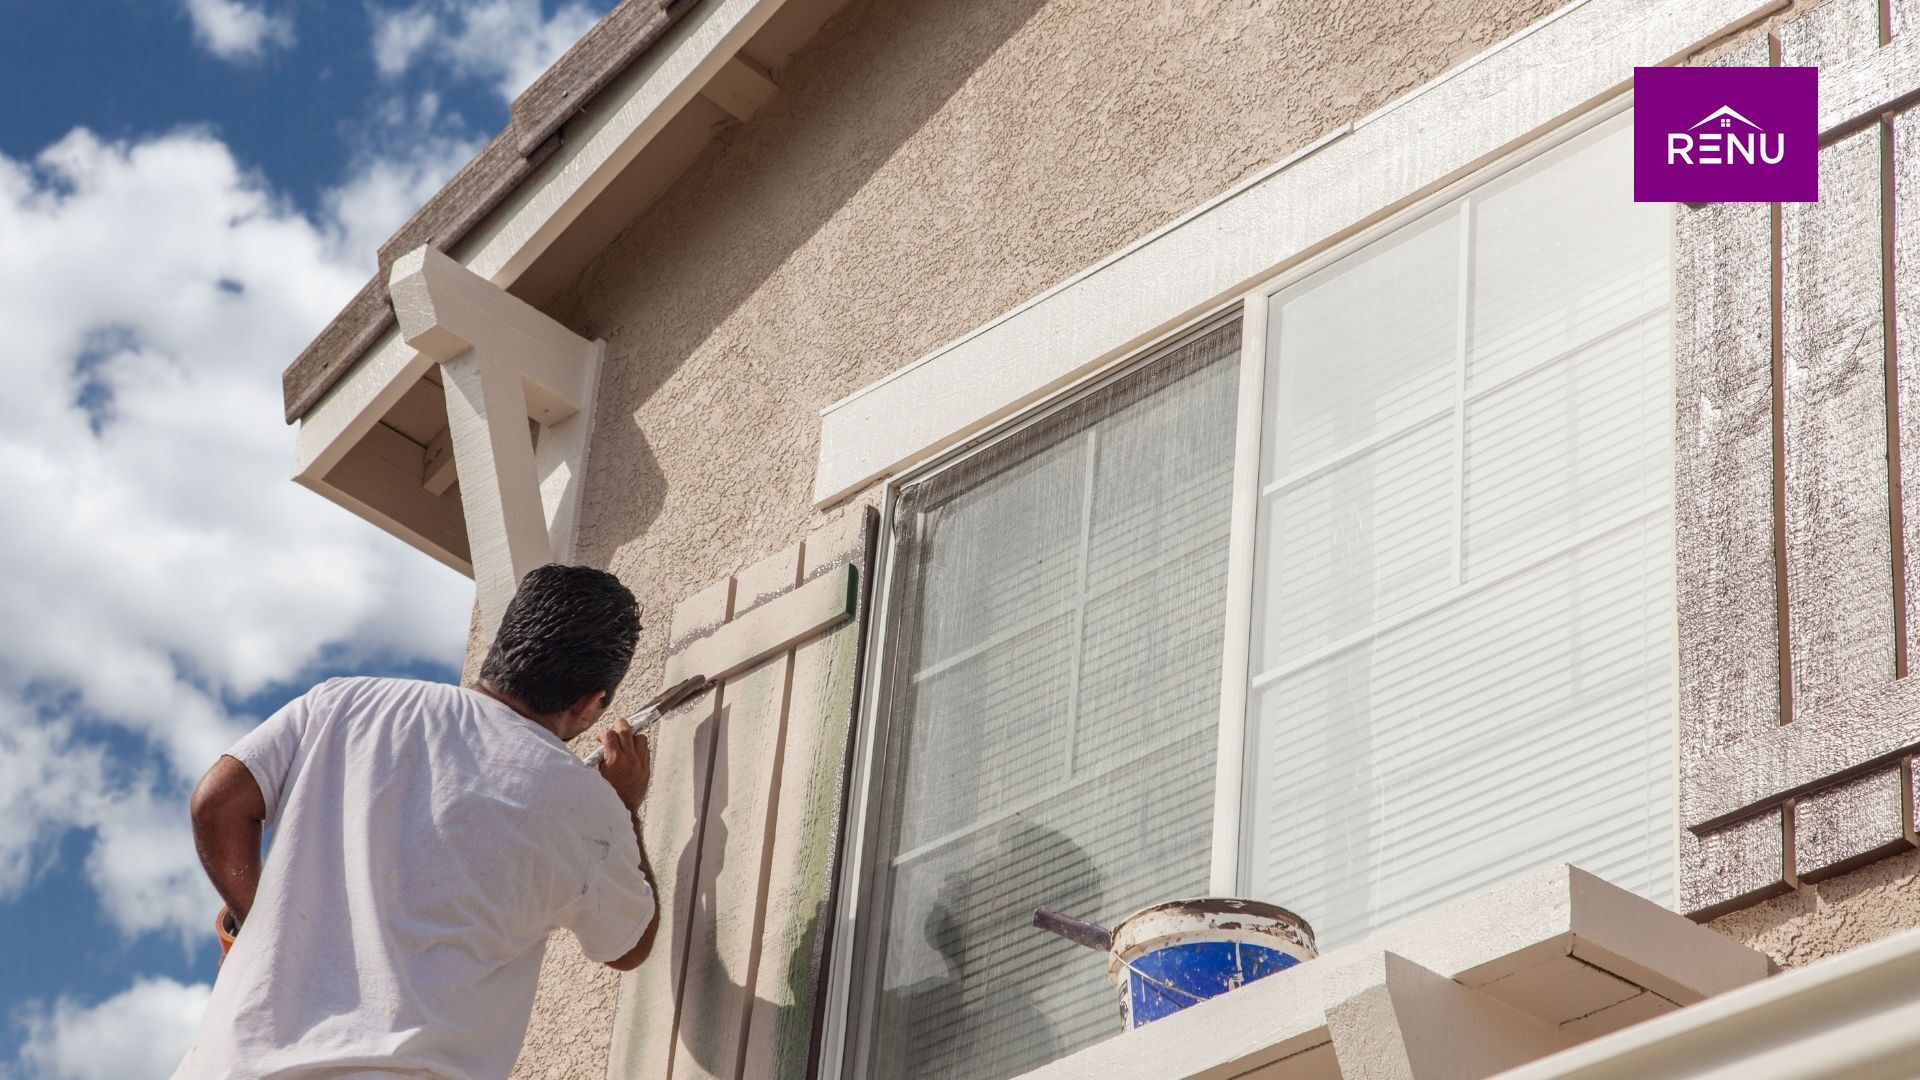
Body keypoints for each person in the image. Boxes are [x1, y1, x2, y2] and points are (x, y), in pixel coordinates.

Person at [175, 564, 709, 1079]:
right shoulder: (585, 804)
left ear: (500, 647)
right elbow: (628, 944)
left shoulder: (346, 702)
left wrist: (260, 924)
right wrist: (624, 805)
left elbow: (216, 804)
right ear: (591, 704)